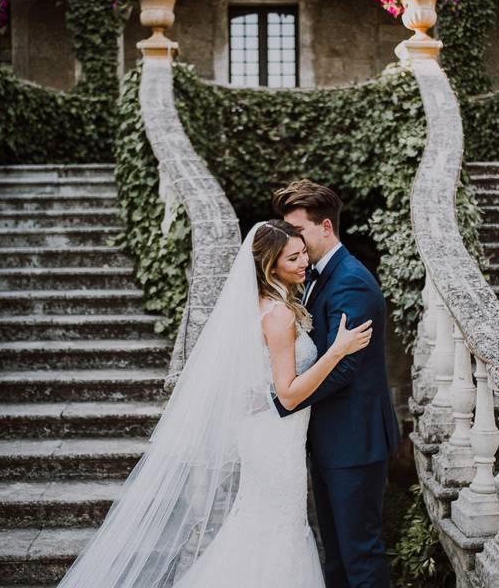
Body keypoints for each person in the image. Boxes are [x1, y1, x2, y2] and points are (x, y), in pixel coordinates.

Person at [56, 219, 372, 588]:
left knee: (261, 522)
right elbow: (287, 393)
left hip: (266, 430)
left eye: (303, 253)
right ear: (270, 267)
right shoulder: (280, 315)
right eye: (293, 258)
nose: (304, 262)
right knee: (279, 527)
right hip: (275, 435)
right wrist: (335, 352)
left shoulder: (264, 304)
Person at [273, 179, 402, 588]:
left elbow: (345, 368)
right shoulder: (313, 277)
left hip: (355, 441)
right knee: (337, 556)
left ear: (325, 227)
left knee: (360, 555)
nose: (292, 242)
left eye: (299, 231)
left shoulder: (351, 281)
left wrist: (286, 397)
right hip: (330, 440)